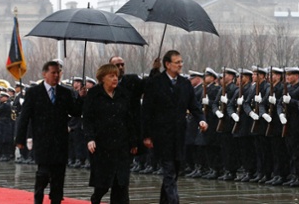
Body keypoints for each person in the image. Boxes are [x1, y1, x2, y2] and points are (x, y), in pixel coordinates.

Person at [142, 50, 208, 204]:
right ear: (167, 64)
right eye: (177, 62)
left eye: (181, 62)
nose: (180, 65)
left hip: (179, 135)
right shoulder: (155, 83)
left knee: (175, 172)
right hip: (162, 135)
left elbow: (194, 106)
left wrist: (201, 120)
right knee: (169, 172)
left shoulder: (185, 84)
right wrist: (146, 135)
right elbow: (146, 111)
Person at [15, 60, 86, 204]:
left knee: (59, 175)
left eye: (59, 72)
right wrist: (20, 139)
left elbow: (75, 112)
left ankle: (56, 200)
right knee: (43, 173)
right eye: (53, 72)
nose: (56, 75)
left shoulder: (65, 93)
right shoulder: (34, 92)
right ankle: (38, 198)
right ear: (44, 74)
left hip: (60, 141)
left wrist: (80, 97)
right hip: (42, 140)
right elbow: (25, 117)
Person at [83, 64, 138, 204]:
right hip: (101, 146)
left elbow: (129, 119)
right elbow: (88, 119)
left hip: (121, 145)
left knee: (121, 185)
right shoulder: (94, 94)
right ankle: (96, 199)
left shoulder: (123, 94)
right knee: (103, 185)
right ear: (102, 78)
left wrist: (133, 142)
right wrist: (90, 138)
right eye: (111, 76)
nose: (115, 78)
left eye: (116, 75)